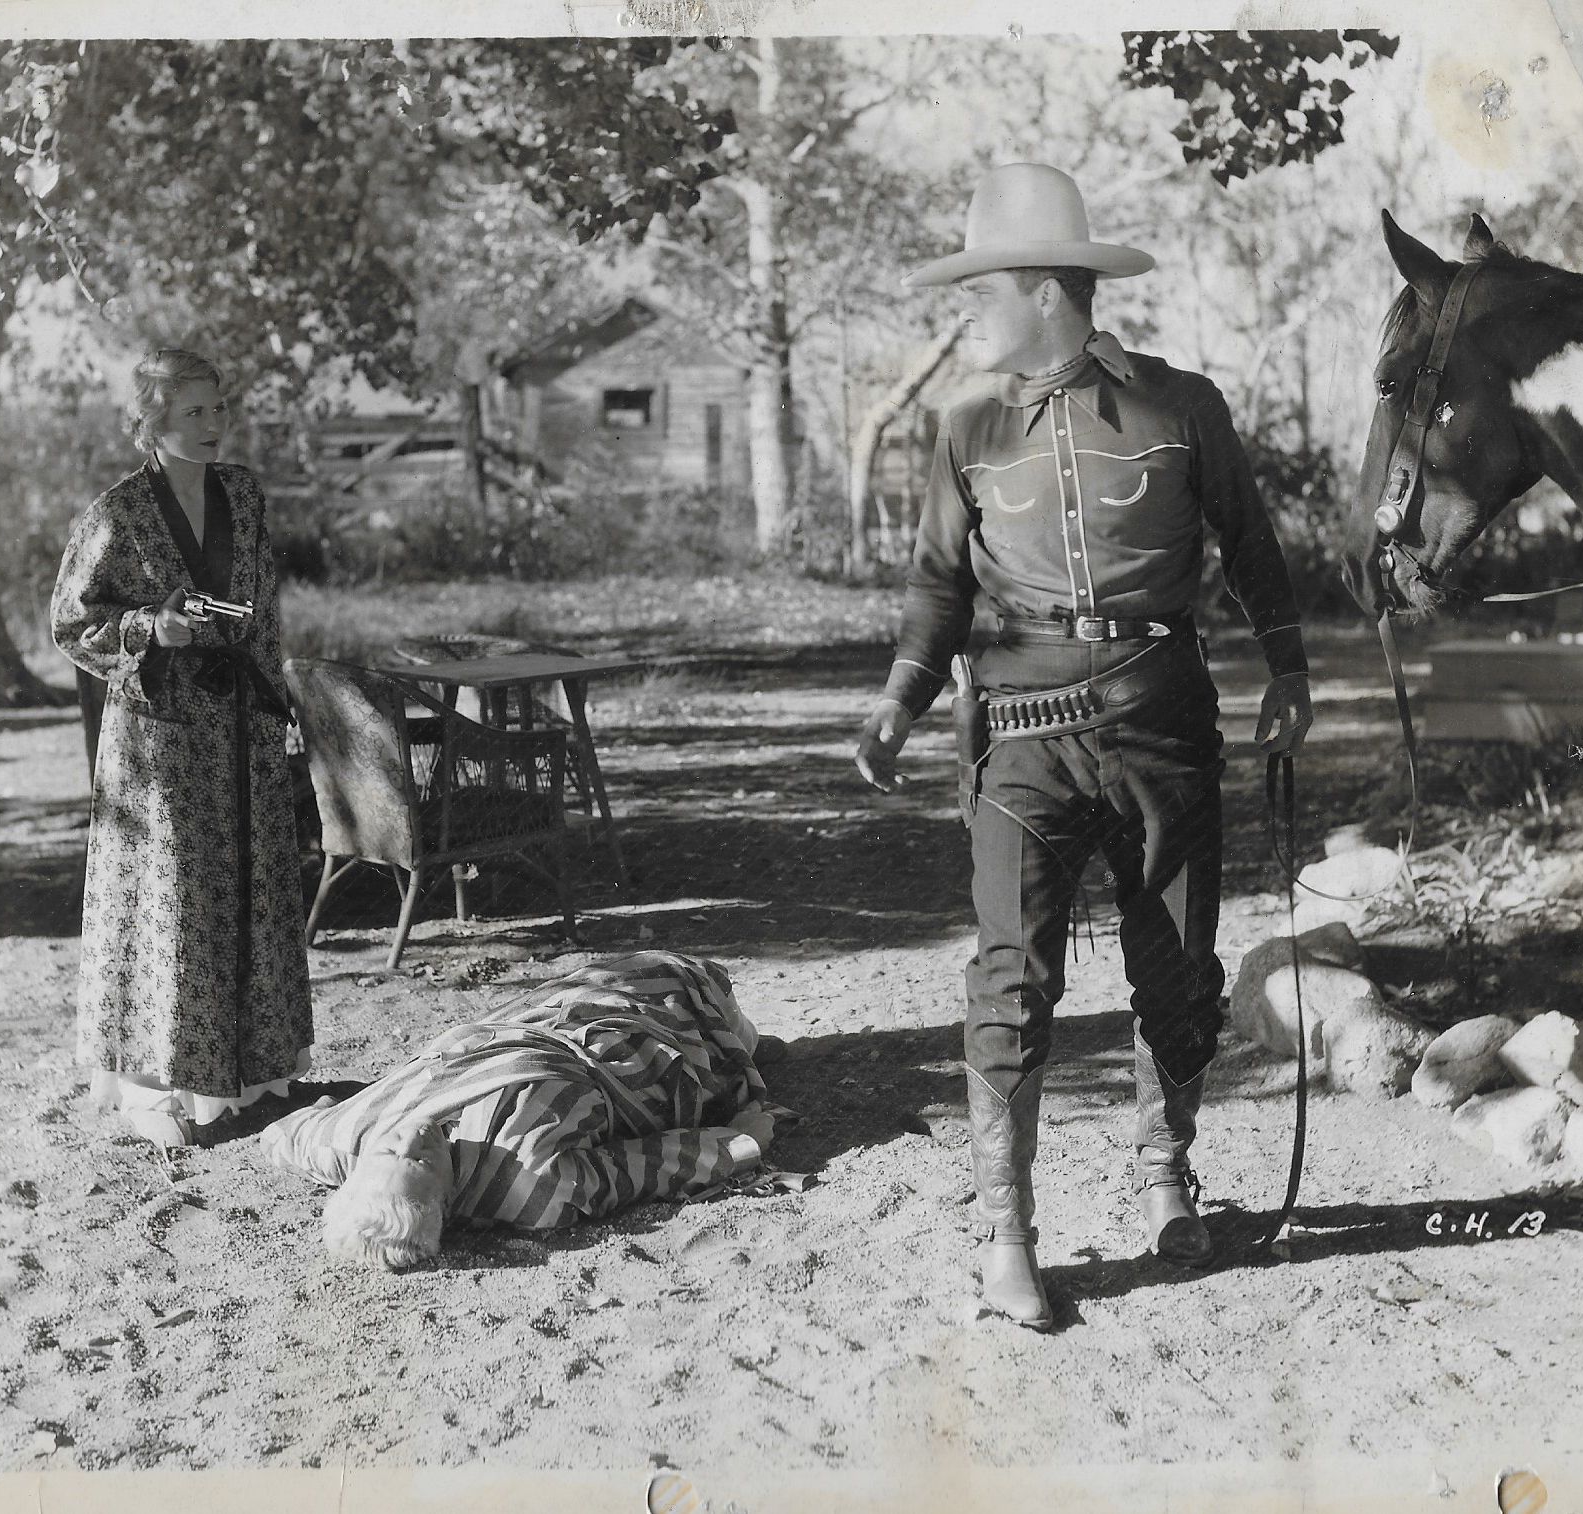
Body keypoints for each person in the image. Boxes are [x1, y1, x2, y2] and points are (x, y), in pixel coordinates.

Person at [854, 164, 1313, 1330]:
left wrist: (1291, 670)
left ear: (1044, 292)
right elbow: (935, 587)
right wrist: (901, 703)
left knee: (1177, 972)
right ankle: (1008, 1241)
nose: (967, 319)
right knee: (1010, 979)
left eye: (980, 294)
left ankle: (1169, 1166)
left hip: (1163, 728)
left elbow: (1252, 544)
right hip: (1019, 742)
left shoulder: (1181, 406)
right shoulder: (965, 426)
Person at [51, 347, 313, 1149]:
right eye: (193, 413)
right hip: (162, 744)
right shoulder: (118, 513)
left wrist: (276, 704)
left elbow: (264, 610)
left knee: (253, 892)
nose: (212, 425)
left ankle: (261, 1079)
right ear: (151, 424)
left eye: (218, 409)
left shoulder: (244, 494)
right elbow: (72, 621)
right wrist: (146, 628)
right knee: (174, 902)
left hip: (240, 726)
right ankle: (162, 1087)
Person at [260, 952, 780, 1267]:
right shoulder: (533, 1184)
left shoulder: (347, 1141)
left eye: (389, 1152)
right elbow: (640, 1169)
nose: (413, 1136)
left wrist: (313, 1118)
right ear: (445, 1206)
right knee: (716, 1011)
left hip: (547, 1009)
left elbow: (288, 1137)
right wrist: (739, 1143)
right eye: (419, 1162)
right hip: (639, 1047)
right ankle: (737, 1029)